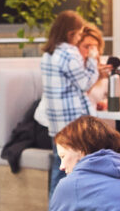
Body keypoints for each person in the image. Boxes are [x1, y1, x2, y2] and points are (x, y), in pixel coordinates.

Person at [35, 11, 102, 192]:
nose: (80, 38)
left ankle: (56, 206)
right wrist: (92, 61)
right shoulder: (69, 54)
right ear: (70, 34)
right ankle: (74, 207)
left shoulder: (48, 55)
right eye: (79, 34)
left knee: (60, 166)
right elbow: (85, 83)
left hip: (56, 123)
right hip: (73, 122)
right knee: (77, 169)